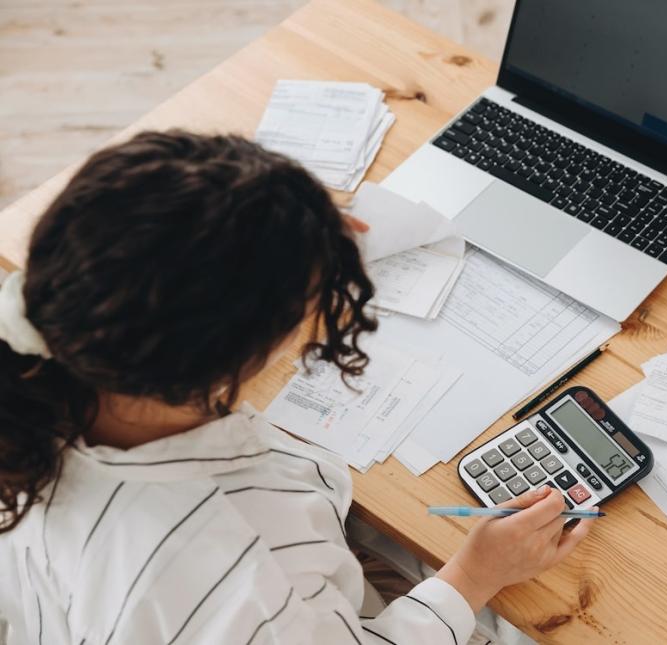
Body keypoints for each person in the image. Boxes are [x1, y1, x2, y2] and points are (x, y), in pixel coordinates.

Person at [0, 131, 594, 644]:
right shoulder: (231, 572)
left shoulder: (46, 364)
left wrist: (299, 231)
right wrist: (476, 573)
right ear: (232, 358)